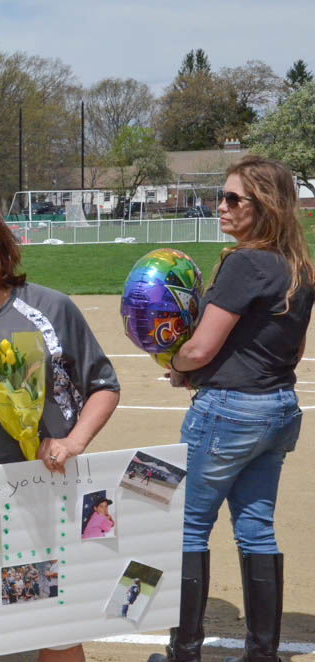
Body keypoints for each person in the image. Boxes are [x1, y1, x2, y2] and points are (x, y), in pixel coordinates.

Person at [0, 199, 120, 662]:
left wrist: (74, 441)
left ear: (5, 250)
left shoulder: (49, 307)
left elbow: (103, 386)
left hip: (36, 492)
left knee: (53, 625)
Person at [148, 157, 313, 662]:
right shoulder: (298, 266)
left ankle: (184, 653)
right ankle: (262, 654)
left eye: (233, 198)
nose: (221, 206)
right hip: (278, 408)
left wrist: (178, 364)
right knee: (256, 527)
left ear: (263, 206)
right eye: (221, 197)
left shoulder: (245, 263)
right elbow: (293, 352)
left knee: (188, 525)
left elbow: (200, 348)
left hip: (229, 412)